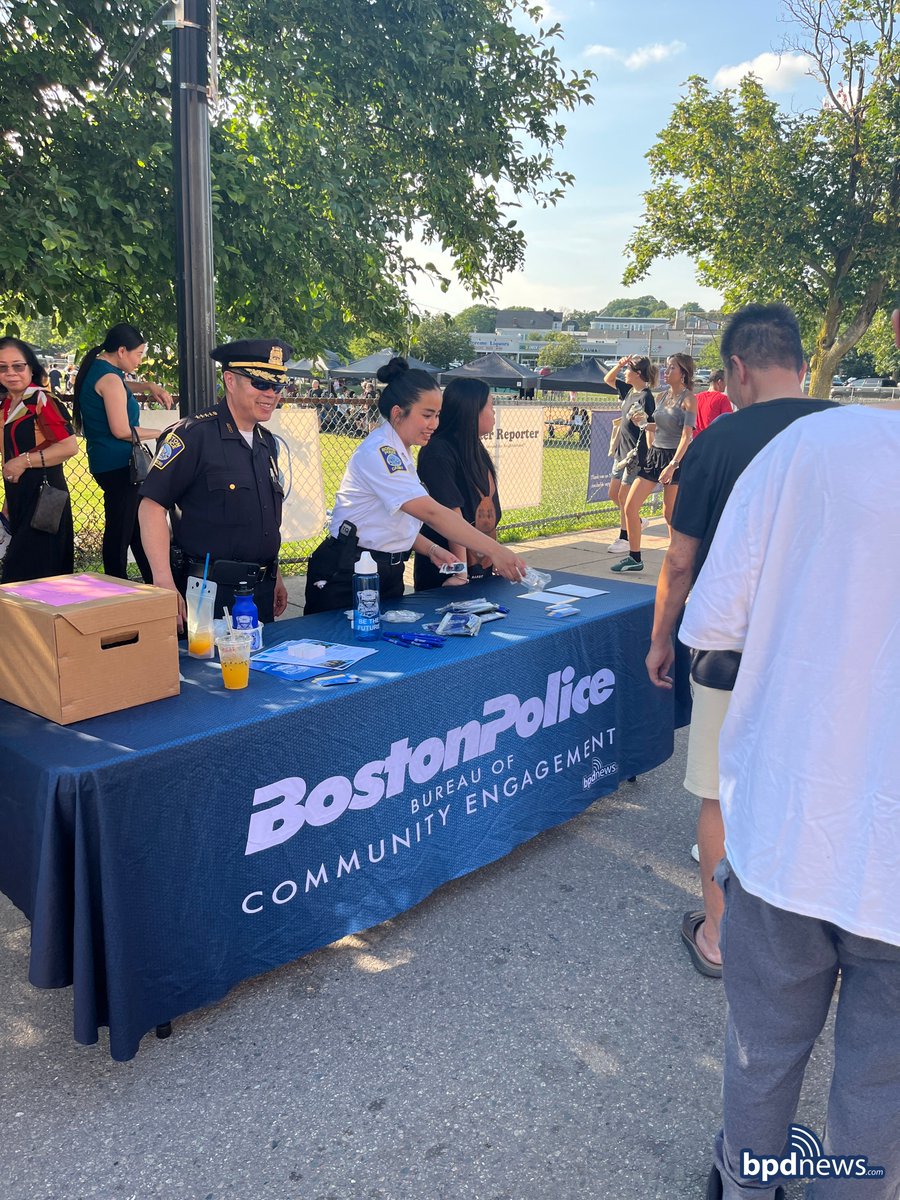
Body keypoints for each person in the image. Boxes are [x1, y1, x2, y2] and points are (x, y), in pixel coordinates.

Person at [678, 402, 900, 1200]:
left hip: (793, 825)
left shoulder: (812, 446)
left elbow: (714, 629)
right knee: (880, 1088)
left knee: (762, 1051)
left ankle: (748, 1185)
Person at [645, 303, 837, 978]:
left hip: (731, 651)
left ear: (737, 370)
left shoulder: (720, 442)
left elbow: (678, 561)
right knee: (811, 786)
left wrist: (660, 637)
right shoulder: (852, 433)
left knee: (719, 794)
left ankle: (721, 940)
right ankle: (809, 939)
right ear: (803, 363)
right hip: (828, 655)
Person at [304, 357, 526, 614]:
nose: (434, 424)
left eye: (438, 416)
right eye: (427, 415)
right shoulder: (380, 452)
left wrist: (430, 549)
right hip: (348, 572)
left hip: (386, 570)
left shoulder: (401, 452)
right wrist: (494, 550)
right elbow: (431, 512)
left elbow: (391, 521)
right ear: (398, 413)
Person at [139, 338, 292, 625]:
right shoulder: (192, 435)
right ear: (230, 381)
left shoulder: (266, 443)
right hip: (210, 595)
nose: (271, 394)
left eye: (278, 386)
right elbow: (151, 506)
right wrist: (163, 581)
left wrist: (275, 574)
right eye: (260, 383)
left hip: (259, 591)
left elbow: (262, 519)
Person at [72, 324, 174, 581]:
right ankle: (117, 588)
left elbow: (121, 387)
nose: (140, 360)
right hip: (122, 466)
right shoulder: (110, 378)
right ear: (121, 351)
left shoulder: (99, 369)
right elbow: (121, 430)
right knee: (121, 533)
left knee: (136, 529)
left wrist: (149, 386)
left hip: (107, 463)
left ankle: (155, 585)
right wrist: (163, 432)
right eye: (138, 354)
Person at [0, 337, 78, 583]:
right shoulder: (6, 405)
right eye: (2, 367)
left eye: (18, 366)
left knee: (34, 576)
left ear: (31, 368)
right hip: (17, 497)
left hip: (45, 499)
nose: (11, 373)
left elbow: (69, 447)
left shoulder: (41, 401)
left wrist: (23, 461)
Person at [413, 377, 501, 592]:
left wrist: (495, 555)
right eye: (490, 405)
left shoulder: (475, 449)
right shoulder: (438, 452)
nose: (494, 412)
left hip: (481, 569)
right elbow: (451, 515)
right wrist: (460, 573)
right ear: (472, 410)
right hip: (449, 573)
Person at [611, 353, 696, 573]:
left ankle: (678, 561)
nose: (666, 373)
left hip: (674, 459)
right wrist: (642, 423)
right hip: (654, 455)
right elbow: (655, 427)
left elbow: (687, 436)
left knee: (669, 514)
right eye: (666, 368)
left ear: (684, 373)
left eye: (671, 369)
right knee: (630, 506)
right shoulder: (662, 397)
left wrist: (673, 465)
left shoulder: (688, 399)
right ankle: (634, 558)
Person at [603, 355, 657, 555]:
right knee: (613, 494)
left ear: (638, 374)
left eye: (628, 370)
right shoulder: (628, 391)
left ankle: (625, 537)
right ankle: (637, 520)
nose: (625, 373)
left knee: (624, 497)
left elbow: (651, 426)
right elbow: (608, 380)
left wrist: (650, 451)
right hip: (622, 452)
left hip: (636, 454)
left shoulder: (646, 397)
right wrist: (619, 364)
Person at [693, 369, 732, 438]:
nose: (726, 385)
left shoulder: (696, 397)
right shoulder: (722, 399)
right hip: (714, 439)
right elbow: (728, 422)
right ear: (719, 382)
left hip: (697, 439)